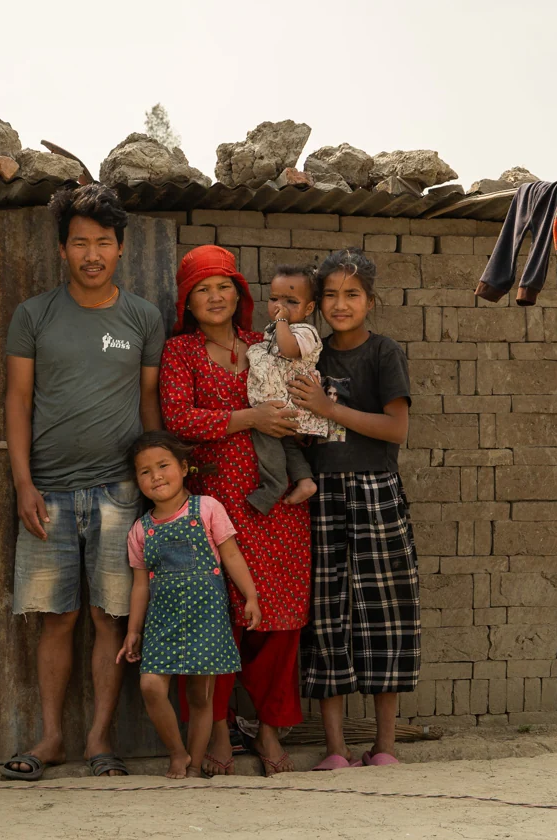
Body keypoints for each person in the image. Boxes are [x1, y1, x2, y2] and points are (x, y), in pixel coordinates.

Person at [2, 184, 164, 781]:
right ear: (62, 250)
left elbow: (149, 406)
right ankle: (50, 738)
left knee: (109, 618)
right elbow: (17, 402)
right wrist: (24, 483)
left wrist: (156, 489)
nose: (91, 253)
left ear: (120, 248)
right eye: (79, 243)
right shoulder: (34, 315)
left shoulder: (143, 317)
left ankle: (100, 740)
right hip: (48, 493)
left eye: (103, 242)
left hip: (121, 493)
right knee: (55, 617)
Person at [160, 244, 311, 777]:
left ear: (240, 294)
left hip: (277, 506)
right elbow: (179, 419)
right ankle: (217, 727)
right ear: (188, 301)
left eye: (224, 285)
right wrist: (250, 418)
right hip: (215, 506)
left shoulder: (262, 344)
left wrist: (290, 425)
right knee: (214, 619)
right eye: (202, 289)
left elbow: (296, 399)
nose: (215, 296)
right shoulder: (179, 353)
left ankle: (269, 729)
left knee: (279, 620)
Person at [288, 248, 421, 770]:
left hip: (376, 491)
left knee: (385, 614)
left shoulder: (383, 353)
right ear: (317, 303)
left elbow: (397, 429)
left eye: (352, 295)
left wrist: (329, 408)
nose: (341, 305)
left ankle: (385, 746)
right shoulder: (308, 356)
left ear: (370, 300)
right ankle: (336, 749)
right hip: (322, 497)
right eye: (331, 295)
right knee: (326, 616)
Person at [116, 430, 262, 779]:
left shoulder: (208, 509)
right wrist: (133, 631)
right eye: (145, 471)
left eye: (163, 466)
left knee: (200, 697)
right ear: (137, 480)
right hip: (162, 623)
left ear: (183, 468)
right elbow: (140, 587)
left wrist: (251, 596)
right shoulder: (140, 530)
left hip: (206, 618)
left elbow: (231, 555)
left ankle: (194, 766)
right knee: (151, 686)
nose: (156, 476)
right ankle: (177, 753)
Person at [244, 264, 327, 514]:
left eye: (291, 301)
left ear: (309, 308)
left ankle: (274, 486)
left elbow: (290, 350)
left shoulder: (305, 332)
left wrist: (280, 320)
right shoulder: (275, 331)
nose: (280, 306)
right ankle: (305, 481)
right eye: (274, 299)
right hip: (282, 404)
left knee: (265, 436)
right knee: (286, 444)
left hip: (286, 403)